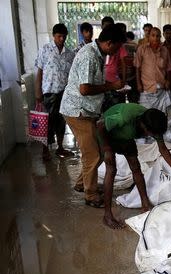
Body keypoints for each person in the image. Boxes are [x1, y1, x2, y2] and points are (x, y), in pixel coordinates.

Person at [60, 24, 126, 208]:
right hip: (77, 110)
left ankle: (82, 183)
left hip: (85, 110)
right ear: (109, 43)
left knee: (95, 150)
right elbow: (85, 89)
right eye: (117, 47)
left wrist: (110, 84)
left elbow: (92, 82)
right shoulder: (89, 55)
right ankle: (90, 195)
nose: (117, 52)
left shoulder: (97, 54)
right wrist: (111, 87)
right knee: (93, 155)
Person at [97, 103, 171, 229]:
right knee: (111, 170)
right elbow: (100, 126)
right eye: (149, 133)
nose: (150, 136)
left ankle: (145, 204)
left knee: (136, 168)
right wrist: (107, 149)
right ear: (142, 125)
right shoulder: (124, 117)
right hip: (108, 134)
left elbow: (163, 149)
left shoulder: (154, 122)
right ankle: (107, 215)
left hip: (126, 136)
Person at [35, 23, 75, 161]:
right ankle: (45, 150)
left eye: (64, 36)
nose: (62, 39)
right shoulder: (45, 50)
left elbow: (72, 75)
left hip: (64, 93)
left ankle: (60, 147)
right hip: (48, 92)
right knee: (47, 122)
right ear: (53, 36)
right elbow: (39, 72)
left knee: (61, 121)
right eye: (59, 36)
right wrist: (37, 92)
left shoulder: (70, 54)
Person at [135, 27, 171, 114]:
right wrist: (138, 84)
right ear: (149, 36)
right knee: (145, 115)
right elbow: (137, 67)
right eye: (153, 35)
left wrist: (168, 81)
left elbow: (169, 68)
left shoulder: (165, 50)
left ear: (160, 37)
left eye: (158, 36)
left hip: (161, 90)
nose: (155, 38)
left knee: (161, 116)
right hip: (146, 89)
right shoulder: (142, 49)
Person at [102, 22, 127, 111]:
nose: (115, 52)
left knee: (116, 108)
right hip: (103, 82)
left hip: (114, 80)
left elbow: (124, 64)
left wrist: (123, 80)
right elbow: (84, 89)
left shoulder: (119, 46)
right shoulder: (95, 52)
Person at [124, 31, 139, 103]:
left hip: (128, 75)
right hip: (130, 74)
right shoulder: (134, 44)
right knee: (133, 99)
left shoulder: (123, 44)